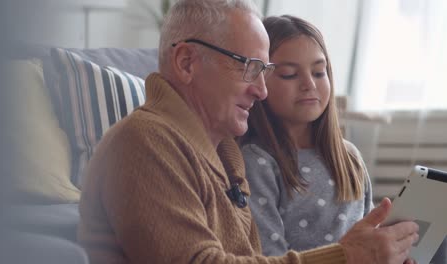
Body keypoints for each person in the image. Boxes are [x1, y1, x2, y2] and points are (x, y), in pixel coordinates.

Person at [78, 0, 419, 263]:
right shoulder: (145, 141)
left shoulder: (224, 155)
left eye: (266, 70)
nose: (262, 90)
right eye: (250, 68)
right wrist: (345, 257)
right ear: (186, 63)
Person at [239, 15, 373, 256]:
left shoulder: (350, 156)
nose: (309, 84)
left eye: (319, 72)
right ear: (259, 80)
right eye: (290, 74)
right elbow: (269, 255)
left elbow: (369, 230)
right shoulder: (256, 161)